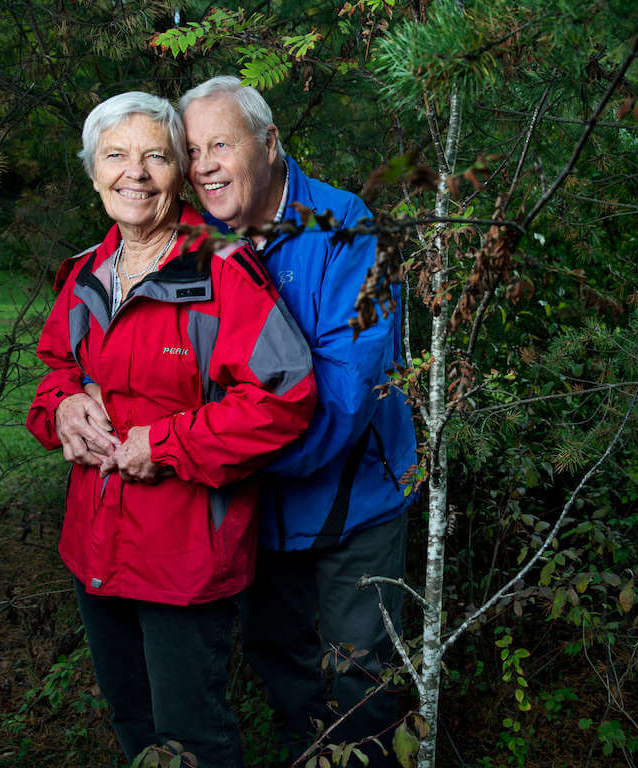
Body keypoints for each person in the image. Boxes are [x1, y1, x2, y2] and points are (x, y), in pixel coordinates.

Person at [25, 90, 317, 768]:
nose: (136, 173)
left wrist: (168, 443)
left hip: (183, 556)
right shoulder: (85, 274)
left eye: (156, 156)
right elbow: (52, 378)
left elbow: (284, 398)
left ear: (178, 174)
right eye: (116, 156)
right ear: (92, 172)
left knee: (195, 737)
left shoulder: (220, 269)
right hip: (92, 548)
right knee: (132, 723)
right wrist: (63, 406)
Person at [180, 75, 418, 766]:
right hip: (256, 506)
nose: (203, 167)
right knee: (278, 660)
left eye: (220, 144)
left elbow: (345, 399)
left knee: (359, 678)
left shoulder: (347, 229)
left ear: (270, 141)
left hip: (356, 500)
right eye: (192, 150)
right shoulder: (195, 244)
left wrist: (216, 451)